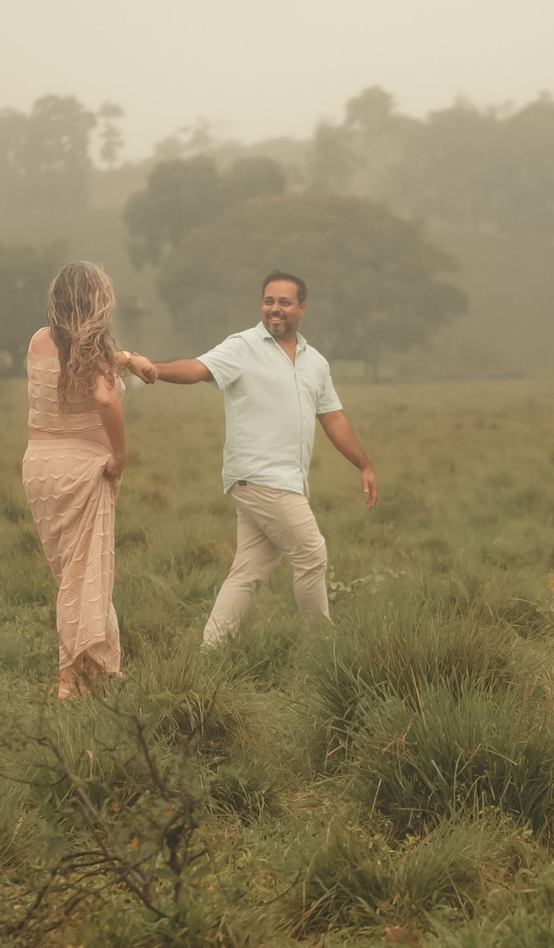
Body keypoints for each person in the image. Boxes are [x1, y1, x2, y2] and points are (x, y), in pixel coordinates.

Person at [125, 271, 378, 645]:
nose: (274, 308)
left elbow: (333, 418)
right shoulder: (242, 346)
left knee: (249, 569)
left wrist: (364, 464)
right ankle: (322, 647)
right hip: (260, 476)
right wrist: (155, 370)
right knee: (312, 555)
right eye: (268, 301)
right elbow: (197, 368)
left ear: (302, 308)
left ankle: (212, 651)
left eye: (284, 302)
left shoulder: (315, 363)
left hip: (285, 479)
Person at [23, 260, 138, 698]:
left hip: (40, 469)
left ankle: (95, 667)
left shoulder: (39, 340)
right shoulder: (96, 353)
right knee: (82, 575)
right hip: (82, 471)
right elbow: (105, 399)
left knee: (71, 573)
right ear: (99, 302)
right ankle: (69, 677)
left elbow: (80, 360)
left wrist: (129, 360)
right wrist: (120, 456)